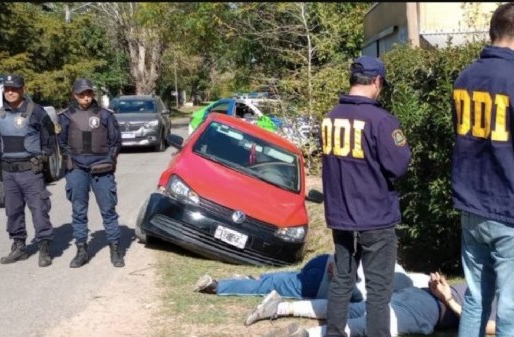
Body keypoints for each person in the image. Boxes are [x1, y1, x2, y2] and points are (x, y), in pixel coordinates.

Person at [319, 56, 412, 337]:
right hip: (376, 219)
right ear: (377, 82)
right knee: (378, 292)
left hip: (342, 218)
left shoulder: (330, 118)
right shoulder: (382, 121)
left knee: (342, 281)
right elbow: (399, 165)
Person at [450, 3, 514, 337]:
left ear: (492, 33)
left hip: (471, 204)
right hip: (507, 206)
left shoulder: (464, 78)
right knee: (510, 309)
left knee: (475, 297)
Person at [249, 272, 497, 337]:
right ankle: (281, 309)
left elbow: (483, 326)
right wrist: (440, 285)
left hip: (434, 309)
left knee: (367, 322)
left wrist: (448, 298)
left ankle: (302, 330)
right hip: (421, 295)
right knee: (354, 310)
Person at [57, 78, 124, 268]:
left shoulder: (105, 115)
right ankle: (81, 250)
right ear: (74, 95)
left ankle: (115, 248)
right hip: (77, 170)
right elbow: (61, 142)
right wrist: (70, 160)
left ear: (93, 94)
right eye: (81, 94)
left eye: (88, 93)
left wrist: (109, 161)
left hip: (102, 169)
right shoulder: (66, 116)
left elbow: (115, 141)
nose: (85, 98)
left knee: (108, 210)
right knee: (78, 211)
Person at [0, 74, 55, 267]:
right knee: (13, 211)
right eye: (8, 89)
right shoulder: (0, 113)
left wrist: (43, 158)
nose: (10, 92)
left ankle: (44, 248)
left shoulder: (36, 111)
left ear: (23, 90)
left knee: (39, 210)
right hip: (9, 172)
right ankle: (19, 246)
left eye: (15, 89)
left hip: (30, 171)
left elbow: (49, 137)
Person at [194, 253, 428, 303]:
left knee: (284, 277)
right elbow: (357, 295)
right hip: (323, 282)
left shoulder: (393, 265)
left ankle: (246, 278)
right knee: (271, 285)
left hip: (326, 261)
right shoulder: (394, 293)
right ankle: (218, 286)